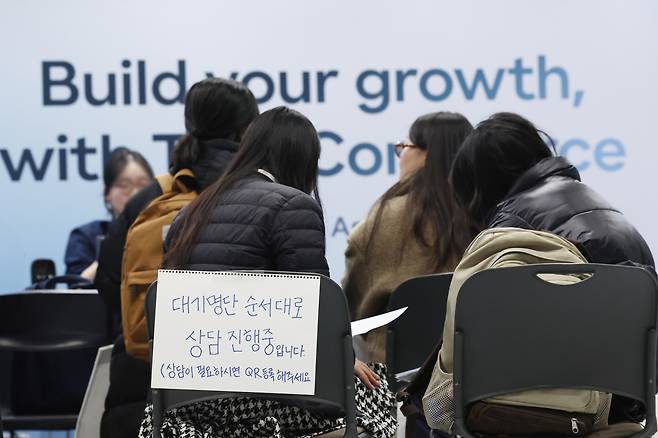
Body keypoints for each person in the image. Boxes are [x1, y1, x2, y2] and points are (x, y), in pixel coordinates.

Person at [139, 107, 397, 438]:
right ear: (303, 159)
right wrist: (343, 360)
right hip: (259, 401)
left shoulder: (189, 212)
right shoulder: (294, 206)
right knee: (377, 392)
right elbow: (318, 313)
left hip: (178, 408)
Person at [444, 112, 655, 423]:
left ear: (479, 186)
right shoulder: (599, 205)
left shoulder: (512, 228)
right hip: (631, 395)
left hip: (569, 402)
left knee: (440, 408)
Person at [96, 77, 259, 438]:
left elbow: (108, 283)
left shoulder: (151, 198)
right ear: (247, 130)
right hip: (237, 397)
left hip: (140, 393)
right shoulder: (263, 195)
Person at [342, 112, 475, 363]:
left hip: (394, 375)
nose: (401, 157)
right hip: (470, 367)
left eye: (404, 147)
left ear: (426, 154)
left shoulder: (383, 219)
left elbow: (349, 308)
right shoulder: (487, 213)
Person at [64, 147, 153, 279]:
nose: (136, 194)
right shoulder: (85, 236)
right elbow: (76, 287)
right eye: (125, 185)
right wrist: (117, 248)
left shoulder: (166, 232)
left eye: (143, 185)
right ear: (107, 193)